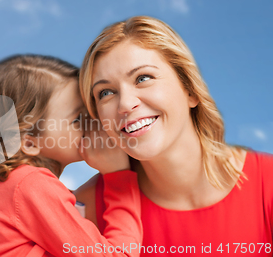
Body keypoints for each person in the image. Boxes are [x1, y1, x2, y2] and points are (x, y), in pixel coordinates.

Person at [75, 16, 273, 256]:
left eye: (143, 78)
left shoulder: (267, 183)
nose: (125, 104)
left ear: (189, 89)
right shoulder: (85, 207)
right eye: (105, 92)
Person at [0, 54, 143, 256]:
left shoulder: (17, 186)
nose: (95, 121)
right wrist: (118, 176)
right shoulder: (30, 184)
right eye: (78, 118)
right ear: (29, 142)